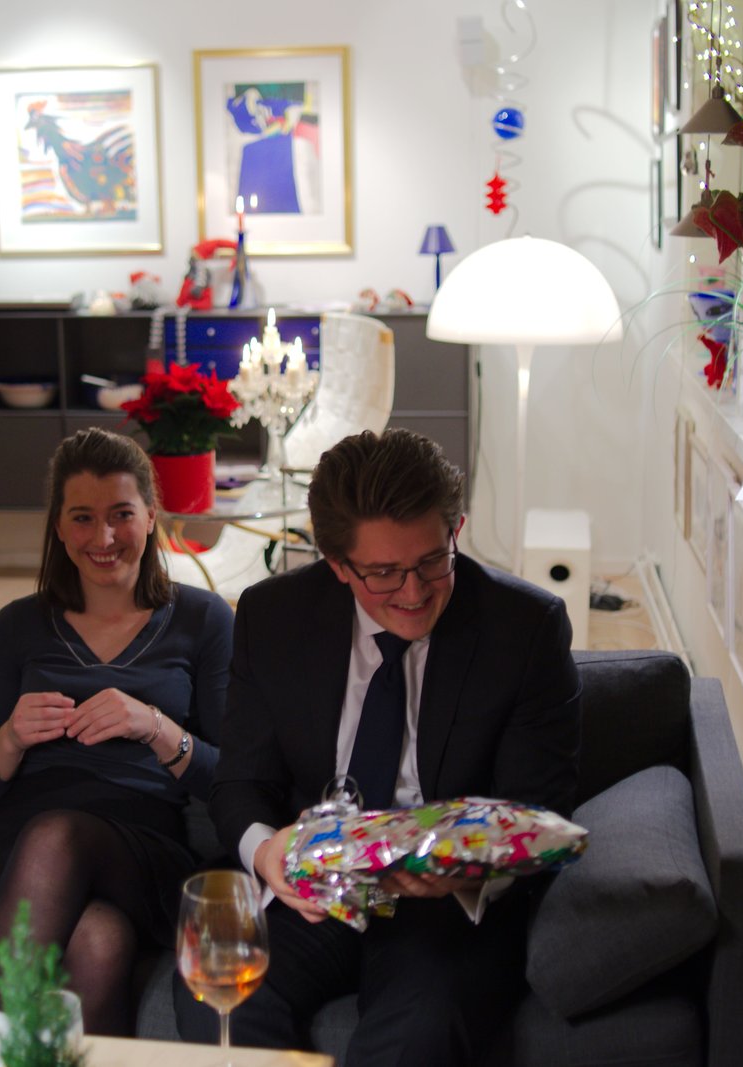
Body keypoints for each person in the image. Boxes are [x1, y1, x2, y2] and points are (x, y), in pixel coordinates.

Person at [174, 428, 582, 1066]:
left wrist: (462, 870)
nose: (414, 593)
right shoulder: (273, 615)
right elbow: (240, 783)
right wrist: (268, 852)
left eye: (432, 561)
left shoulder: (525, 628)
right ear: (338, 564)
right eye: (384, 573)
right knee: (218, 1001)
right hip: (313, 889)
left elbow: (537, 806)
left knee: (417, 1035)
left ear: (456, 531)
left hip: (445, 909)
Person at [0, 427, 232, 1034]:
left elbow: (233, 782)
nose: (104, 538)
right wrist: (11, 737)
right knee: (99, 940)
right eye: (83, 518)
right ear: (60, 528)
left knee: (60, 835)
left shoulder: (203, 618)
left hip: (140, 846)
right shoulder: (18, 625)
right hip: (14, 845)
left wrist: (155, 728)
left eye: (121, 514)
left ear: (151, 516)